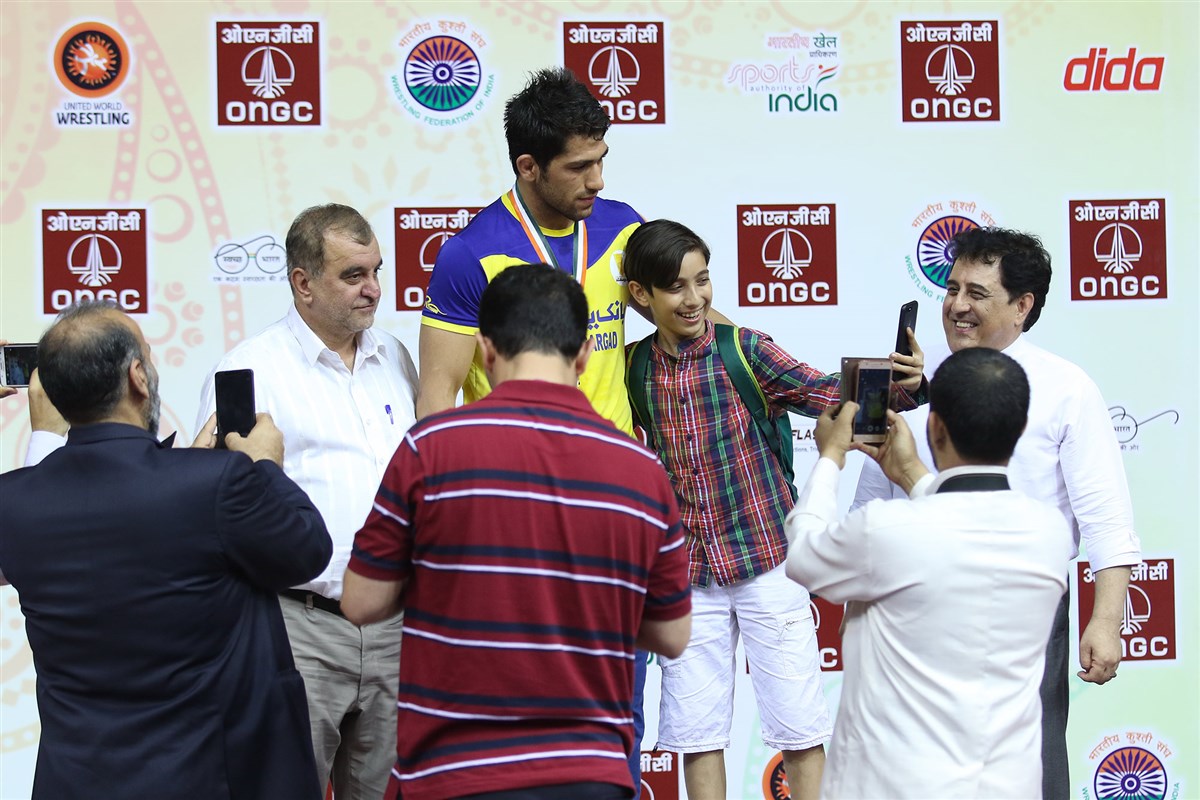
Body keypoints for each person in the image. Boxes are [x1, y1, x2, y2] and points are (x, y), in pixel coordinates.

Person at [342, 264, 693, 800]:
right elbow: (672, 635)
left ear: (485, 351)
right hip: (590, 776)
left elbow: (361, 601)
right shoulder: (641, 469)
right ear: (584, 355)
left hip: (453, 775)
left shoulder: (428, 449)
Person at [621, 220, 927, 800]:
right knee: (698, 737)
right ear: (641, 294)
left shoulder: (745, 350)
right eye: (676, 287)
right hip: (689, 576)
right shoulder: (632, 367)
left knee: (801, 729)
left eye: (703, 280)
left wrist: (906, 384)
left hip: (769, 563)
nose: (695, 298)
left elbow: (828, 392)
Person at [851, 226, 1140, 798]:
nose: (957, 306)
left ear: (1022, 306)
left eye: (977, 293)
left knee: (1030, 770)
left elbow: (1107, 518)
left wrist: (1107, 621)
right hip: (914, 618)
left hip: (1023, 610)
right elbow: (867, 512)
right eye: (952, 289)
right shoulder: (910, 389)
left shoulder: (1066, 388)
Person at [0, 302, 332, 799]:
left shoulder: (13, 502)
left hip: (77, 780)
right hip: (206, 778)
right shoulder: (216, 483)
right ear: (138, 377)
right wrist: (264, 465)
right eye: (149, 359)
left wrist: (198, 475)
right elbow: (307, 548)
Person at [196, 203, 418, 799]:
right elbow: (220, 512)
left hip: (397, 630)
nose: (374, 289)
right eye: (353, 275)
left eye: (377, 270)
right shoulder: (248, 369)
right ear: (303, 282)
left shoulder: (396, 357)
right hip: (299, 630)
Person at [786, 348, 1074, 798]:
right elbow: (962, 529)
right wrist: (910, 474)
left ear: (933, 428)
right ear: (1020, 429)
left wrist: (830, 458)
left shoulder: (887, 530)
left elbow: (804, 556)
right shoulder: (1050, 533)